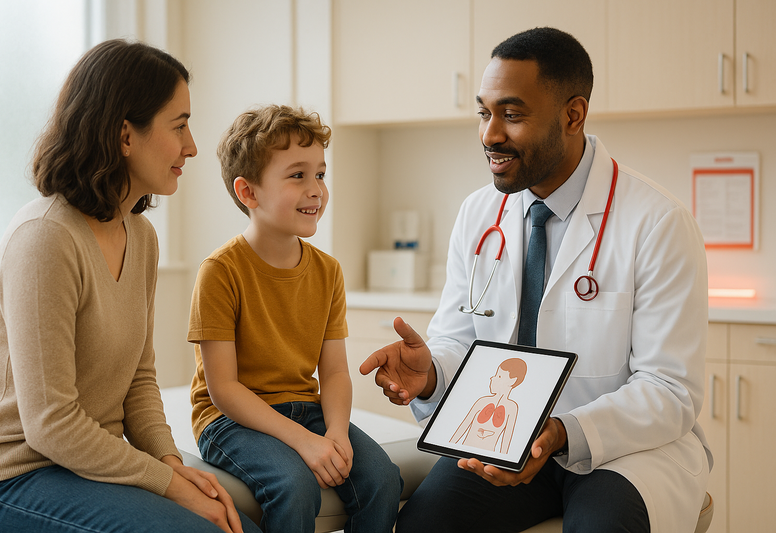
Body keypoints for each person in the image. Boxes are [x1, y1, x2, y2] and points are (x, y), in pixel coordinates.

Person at [360, 27, 710, 533]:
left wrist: (559, 432)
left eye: (513, 114)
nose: (490, 134)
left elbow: (669, 388)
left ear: (573, 115)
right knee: (424, 525)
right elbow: (460, 341)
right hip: (504, 441)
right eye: (484, 113)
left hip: (623, 452)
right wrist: (431, 372)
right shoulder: (479, 213)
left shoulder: (657, 222)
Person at [0, 39, 261, 533]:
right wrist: (169, 483)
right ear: (125, 134)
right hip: (15, 477)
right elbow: (51, 426)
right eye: (179, 126)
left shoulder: (141, 236)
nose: (191, 145)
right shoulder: (44, 238)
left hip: (89, 467)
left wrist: (170, 462)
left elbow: (139, 381)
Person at [188, 104, 403, 532]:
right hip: (229, 421)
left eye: (320, 174)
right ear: (248, 192)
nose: (316, 189)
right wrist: (305, 443)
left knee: (382, 479)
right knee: (295, 485)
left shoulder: (328, 271)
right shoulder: (220, 272)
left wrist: (336, 434)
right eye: (297, 175)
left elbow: (336, 373)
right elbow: (224, 390)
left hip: (305, 408)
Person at [450, 358, 525, 453]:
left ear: (512, 381)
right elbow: (464, 425)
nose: (492, 378)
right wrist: (449, 446)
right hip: (464, 450)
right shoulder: (482, 401)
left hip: (489, 456)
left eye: (499, 376)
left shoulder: (512, 408)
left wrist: (504, 460)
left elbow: (507, 437)